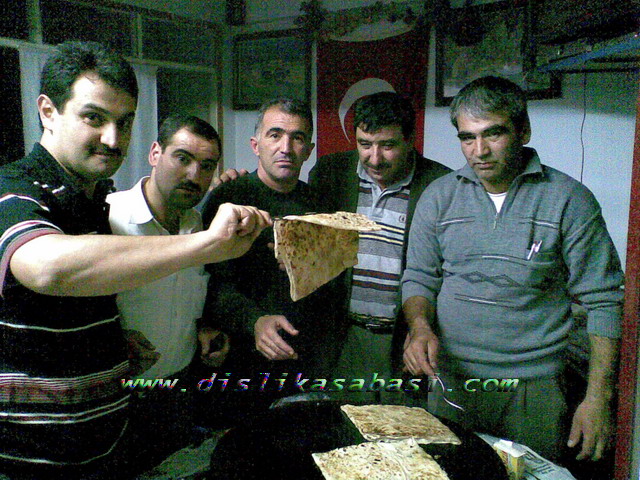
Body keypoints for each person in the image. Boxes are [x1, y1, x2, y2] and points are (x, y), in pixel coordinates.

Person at [0, 41, 269, 479]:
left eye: (124, 123)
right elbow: (48, 267)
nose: (112, 139)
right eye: (94, 118)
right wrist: (208, 244)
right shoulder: (14, 187)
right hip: (29, 459)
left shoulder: (94, 201)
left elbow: (69, 307)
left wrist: (111, 343)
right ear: (48, 111)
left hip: (105, 442)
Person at [401, 76, 623, 463]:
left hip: (534, 390)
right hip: (452, 381)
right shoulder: (439, 197)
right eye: (467, 138)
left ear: (523, 131)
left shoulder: (569, 200)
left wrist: (598, 398)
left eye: (494, 133)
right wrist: (419, 326)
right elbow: (420, 276)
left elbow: (605, 300)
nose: (480, 151)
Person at [201, 98, 342, 414]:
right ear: (256, 145)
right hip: (237, 360)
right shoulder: (228, 198)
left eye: (297, 138)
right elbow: (205, 281)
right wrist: (253, 321)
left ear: (309, 149)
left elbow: (333, 288)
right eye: (275, 135)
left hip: (302, 362)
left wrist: (315, 268)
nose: (286, 148)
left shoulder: (322, 207)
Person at [308, 92, 451, 403]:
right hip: (344, 338)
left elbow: (445, 270)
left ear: (410, 139)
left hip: (404, 342)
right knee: (343, 425)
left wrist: (421, 327)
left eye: (387, 145)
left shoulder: (440, 184)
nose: (374, 159)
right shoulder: (330, 173)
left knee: (404, 428)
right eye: (365, 144)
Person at [106, 114, 229, 466]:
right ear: (155, 153)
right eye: (182, 158)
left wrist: (202, 327)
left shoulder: (197, 224)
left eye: (207, 166)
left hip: (178, 391)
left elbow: (186, 294)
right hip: (119, 396)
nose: (194, 175)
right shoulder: (111, 218)